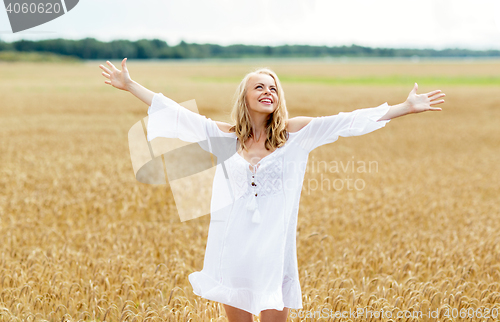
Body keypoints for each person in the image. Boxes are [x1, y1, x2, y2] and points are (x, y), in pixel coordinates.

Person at [99, 58, 445, 322]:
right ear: (245, 97)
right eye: (260, 87)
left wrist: (404, 108)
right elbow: (176, 115)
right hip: (232, 246)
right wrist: (131, 86)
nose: (269, 93)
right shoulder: (225, 137)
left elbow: (346, 121)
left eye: (274, 88)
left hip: (273, 249)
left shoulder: (295, 134)